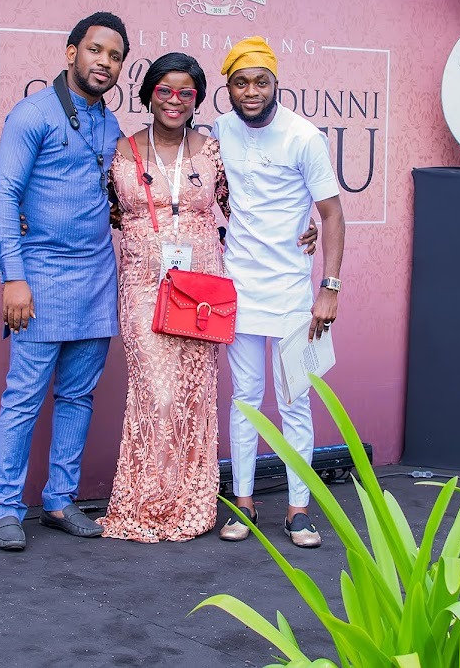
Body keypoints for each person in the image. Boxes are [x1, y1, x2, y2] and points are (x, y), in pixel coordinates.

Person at [0, 11, 129, 552]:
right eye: (95, 50)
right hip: (40, 279)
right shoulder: (33, 114)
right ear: (71, 53)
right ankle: (5, 508)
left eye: (115, 56)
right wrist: (13, 278)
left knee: (78, 397)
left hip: (97, 281)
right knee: (24, 397)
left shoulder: (111, 127)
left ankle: (59, 499)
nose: (104, 62)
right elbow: (4, 196)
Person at [214, 36, 346, 549]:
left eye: (260, 82)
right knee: (245, 398)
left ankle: (298, 510)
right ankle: (243, 502)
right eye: (240, 83)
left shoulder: (304, 137)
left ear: (276, 84)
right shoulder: (220, 131)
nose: (251, 91)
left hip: (292, 291)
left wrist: (329, 287)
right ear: (229, 88)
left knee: (294, 400)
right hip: (239, 287)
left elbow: (331, 214)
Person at [97, 52, 229, 543]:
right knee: (157, 392)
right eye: (165, 91)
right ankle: (146, 503)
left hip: (201, 290)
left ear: (197, 99)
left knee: (194, 395)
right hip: (142, 284)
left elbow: (246, 208)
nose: (175, 101)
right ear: (149, 94)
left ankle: (189, 503)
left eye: (186, 93)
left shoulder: (212, 152)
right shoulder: (122, 150)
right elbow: (103, 209)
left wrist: (304, 229)